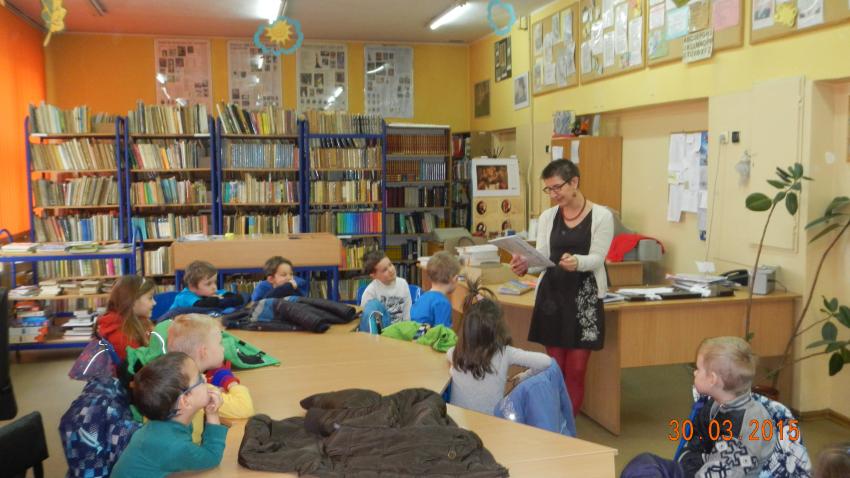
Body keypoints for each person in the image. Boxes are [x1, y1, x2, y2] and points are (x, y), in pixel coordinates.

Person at [509, 159, 613, 416]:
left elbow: (598, 257)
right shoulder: (548, 217)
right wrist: (526, 264)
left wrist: (577, 262)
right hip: (552, 298)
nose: (553, 194)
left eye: (557, 187)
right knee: (554, 367)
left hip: (585, 299)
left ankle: (568, 425)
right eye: (549, 189)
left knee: (576, 369)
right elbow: (543, 256)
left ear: (574, 182)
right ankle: (553, 421)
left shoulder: (602, 216)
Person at [110, 352, 226, 477]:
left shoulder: (162, 424)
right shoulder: (173, 445)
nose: (204, 377)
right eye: (199, 378)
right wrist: (213, 414)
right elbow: (212, 457)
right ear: (185, 401)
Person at [677, 336, 777, 477]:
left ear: (712, 379)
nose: (695, 372)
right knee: (648, 463)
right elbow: (696, 439)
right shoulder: (716, 404)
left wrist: (687, 462)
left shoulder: (741, 433)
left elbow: (719, 473)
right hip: (704, 463)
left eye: (698, 369)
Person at [447, 290, 551, 415]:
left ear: (466, 329)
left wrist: (453, 369)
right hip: (491, 421)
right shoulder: (505, 353)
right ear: (499, 329)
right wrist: (524, 376)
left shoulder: (457, 351)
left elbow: (449, 355)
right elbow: (546, 362)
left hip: (456, 421)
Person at [167, 314, 254, 444]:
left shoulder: (169, 377)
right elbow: (244, 408)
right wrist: (232, 383)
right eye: (220, 343)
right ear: (204, 352)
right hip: (188, 453)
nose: (223, 348)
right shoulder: (199, 389)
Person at [96, 276, 157, 362]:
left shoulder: (138, 322)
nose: (154, 303)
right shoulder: (122, 338)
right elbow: (142, 365)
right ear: (132, 300)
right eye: (150, 298)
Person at [359, 250, 411, 324]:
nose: (391, 270)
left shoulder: (403, 284)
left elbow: (407, 314)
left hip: (402, 329)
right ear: (374, 276)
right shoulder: (370, 292)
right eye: (384, 270)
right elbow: (367, 321)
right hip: (382, 330)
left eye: (390, 264)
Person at [169, 260, 245, 311]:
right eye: (208, 284)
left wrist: (225, 298)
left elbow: (238, 298)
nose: (214, 287)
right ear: (192, 287)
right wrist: (220, 300)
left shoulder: (213, 293)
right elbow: (202, 305)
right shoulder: (184, 297)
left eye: (215, 282)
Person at [411, 252, 460, 327]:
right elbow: (442, 332)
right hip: (426, 334)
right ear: (455, 279)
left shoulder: (423, 297)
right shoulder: (442, 303)